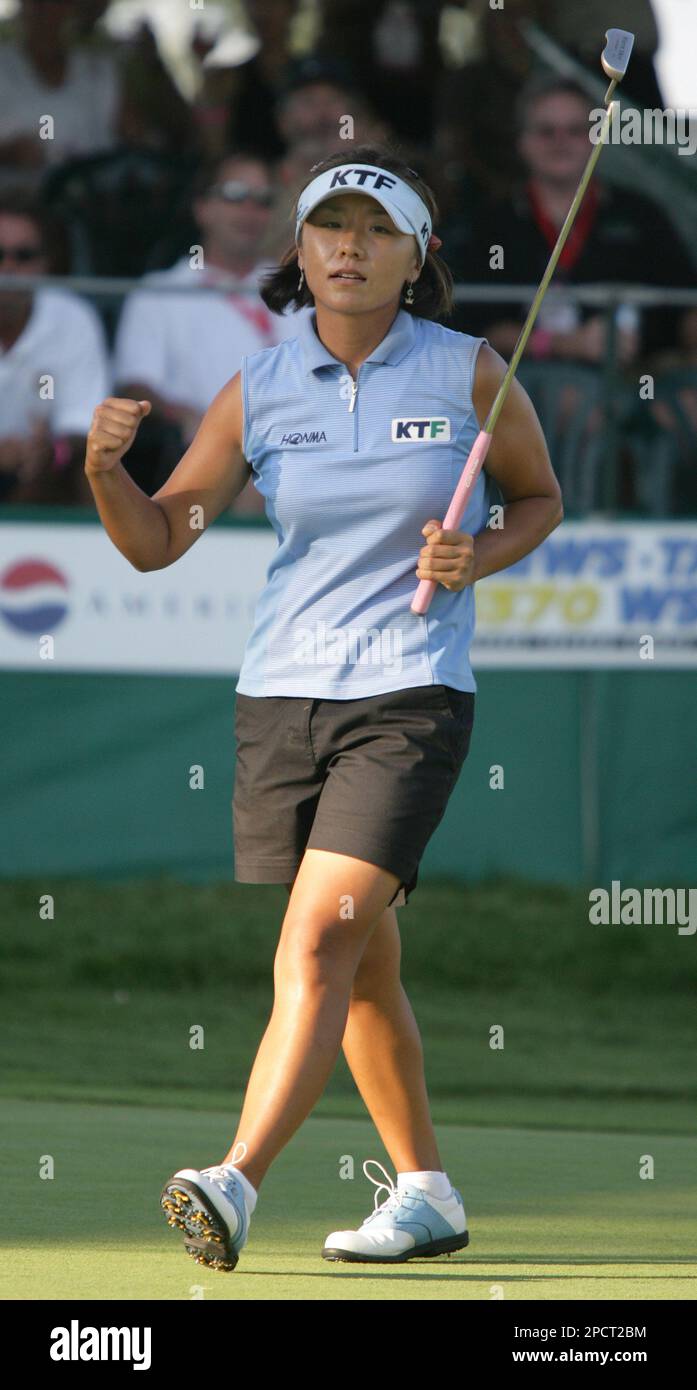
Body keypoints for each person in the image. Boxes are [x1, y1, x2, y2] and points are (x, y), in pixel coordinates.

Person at [84, 143, 562, 1270]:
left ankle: (234, 1179)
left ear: (416, 258)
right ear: (299, 251)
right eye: (330, 226)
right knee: (362, 965)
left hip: (408, 697)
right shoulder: (257, 386)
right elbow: (159, 541)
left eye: (377, 230)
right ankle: (427, 1192)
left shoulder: (469, 371)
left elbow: (538, 497)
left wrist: (476, 554)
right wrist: (107, 475)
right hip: (280, 699)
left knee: (318, 939)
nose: (350, 247)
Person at [113, 149, 304, 514]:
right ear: (202, 208)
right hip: (201, 456)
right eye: (235, 195)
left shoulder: (298, 289)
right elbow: (135, 387)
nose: (250, 211)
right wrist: (187, 419)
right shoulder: (159, 292)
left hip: (297, 448)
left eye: (263, 201)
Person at [0, 187, 110, 506]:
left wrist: (51, 450)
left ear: (45, 263)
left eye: (24, 256)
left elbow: (84, 427)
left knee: (96, 466)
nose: (8, 267)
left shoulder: (73, 318)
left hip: (41, 476)